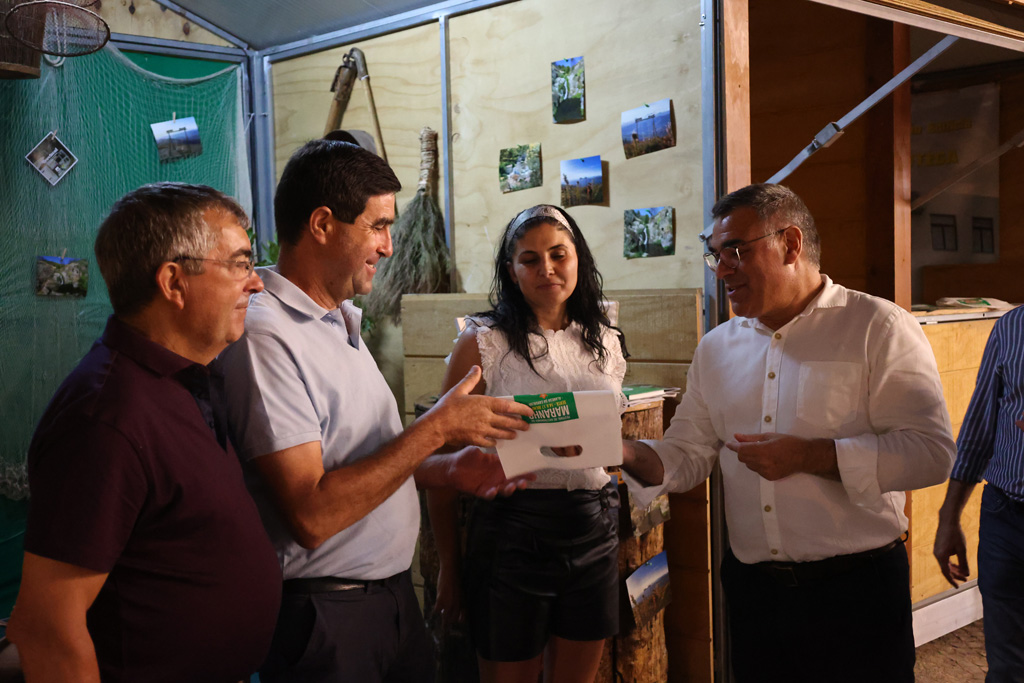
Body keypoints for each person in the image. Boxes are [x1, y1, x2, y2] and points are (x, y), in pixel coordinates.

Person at [218, 139, 535, 683]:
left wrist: (445, 470)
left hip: (389, 600)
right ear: (322, 224)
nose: (389, 246)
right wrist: (436, 429)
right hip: (327, 617)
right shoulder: (265, 334)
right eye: (378, 226)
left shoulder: (337, 318)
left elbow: (362, 462)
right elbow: (312, 516)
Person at [620, 183, 955, 683]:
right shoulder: (716, 349)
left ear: (791, 244)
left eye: (735, 250)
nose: (722, 269)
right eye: (715, 255)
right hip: (754, 595)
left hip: (856, 593)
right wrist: (617, 449)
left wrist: (812, 456)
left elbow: (931, 454)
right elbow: (686, 455)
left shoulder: (878, 326)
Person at [7, 183, 282, 682]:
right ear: (174, 282)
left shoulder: (184, 381)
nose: (257, 283)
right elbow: (47, 629)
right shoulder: (105, 418)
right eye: (240, 264)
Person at [428, 204, 627, 683]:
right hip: (512, 533)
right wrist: (449, 566)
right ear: (511, 270)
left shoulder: (606, 340)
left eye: (559, 254)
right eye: (530, 259)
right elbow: (439, 456)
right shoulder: (483, 342)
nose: (547, 269)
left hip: (593, 524)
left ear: (578, 258)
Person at [934, 306, 1024, 682]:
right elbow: (979, 427)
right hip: (1005, 514)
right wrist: (949, 516)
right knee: (1007, 666)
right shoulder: (1012, 326)